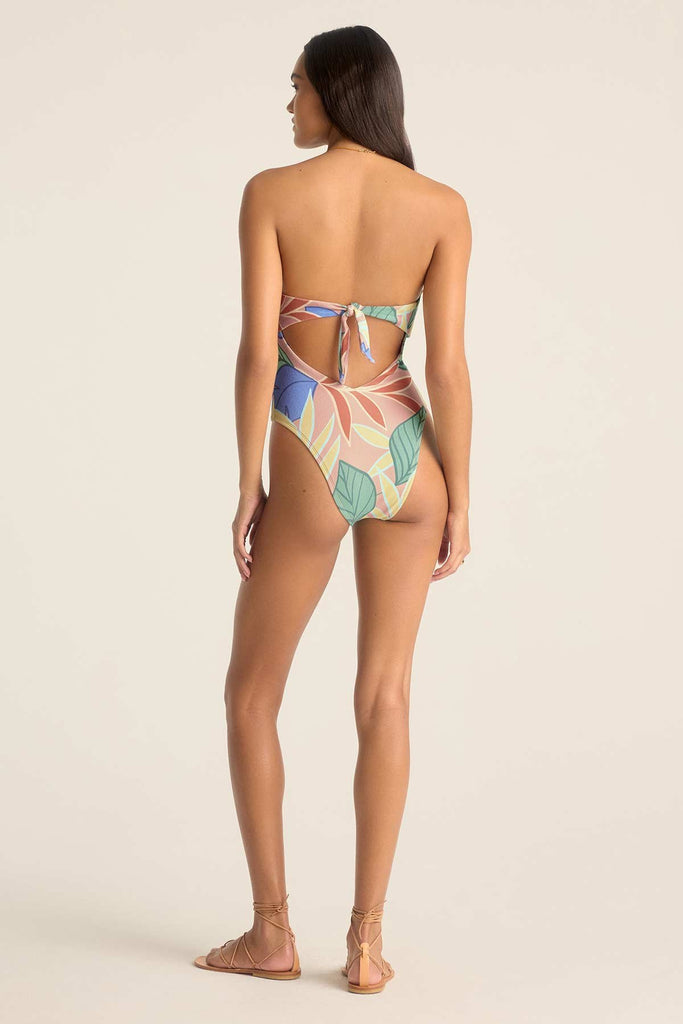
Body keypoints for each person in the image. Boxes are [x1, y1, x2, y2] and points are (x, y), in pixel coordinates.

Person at [194, 25, 472, 994]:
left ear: (336, 93)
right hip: (407, 454)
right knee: (385, 696)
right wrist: (460, 497)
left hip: (312, 448)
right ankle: (365, 944)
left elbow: (257, 353)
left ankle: (271, 934)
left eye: (298, 87)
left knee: (249, 694)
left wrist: (247, 481)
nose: (289, 104)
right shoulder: (440, 207)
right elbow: (446, 367)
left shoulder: (272, 193)